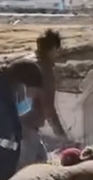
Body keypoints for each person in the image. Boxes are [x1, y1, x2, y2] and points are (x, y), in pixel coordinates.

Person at [16, 29, 68, 169]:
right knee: (25, 171)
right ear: (53, 49)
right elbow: (48, 107)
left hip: (13, 121)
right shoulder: (44, 69)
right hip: (27, 127)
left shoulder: (25, 62)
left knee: (42, 162)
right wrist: (61, 134)